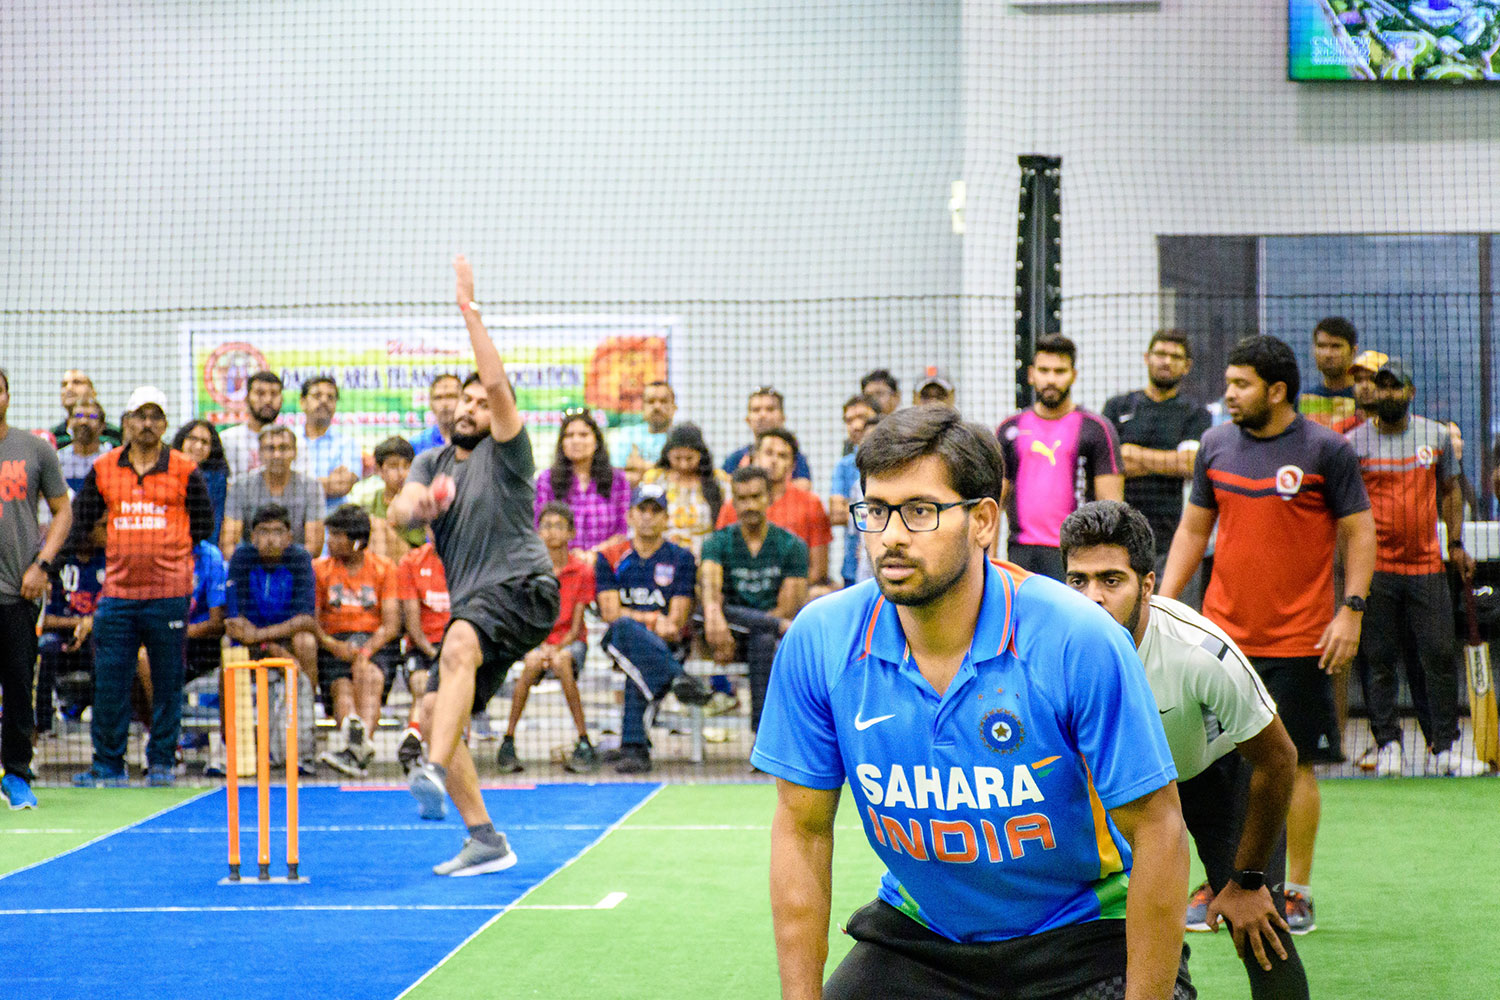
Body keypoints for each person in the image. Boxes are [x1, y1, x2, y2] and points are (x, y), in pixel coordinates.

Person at [752, 405, 1191, 1000]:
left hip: (1083, 937)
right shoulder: (822, 640)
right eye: (876, 511)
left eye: (920, 511)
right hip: (923, 935)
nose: (892, 536)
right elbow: (803, 833)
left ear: (983, 521)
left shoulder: (1077, 640)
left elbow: (1160, 831)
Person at [1159, 334, 1376, 937]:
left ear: (1276, 391)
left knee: (1295, 764)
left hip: (1303, 641)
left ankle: (1296, 890)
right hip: (1222, 642)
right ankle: (1221, 880)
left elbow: (1360, 534)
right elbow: (1192, 531)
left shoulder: (1325, 450)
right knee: (1211, 766)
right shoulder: (1215, 445)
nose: (1227, 395)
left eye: (1240, 384)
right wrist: (1164, 604)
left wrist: (1350, 611)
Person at [1061, 501, 1309, 1000]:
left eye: (1111, 580)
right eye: (1078, 581)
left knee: (1260, 927)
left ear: (1147, 585)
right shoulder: (1052, 643)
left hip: (1209, 777)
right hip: (1109, 792)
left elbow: (1279, 758)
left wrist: (1247, 879)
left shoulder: (1199, 651)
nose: (1092, 599)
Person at [390, 254, 561, 876]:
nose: (469, 407)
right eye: (459, 401)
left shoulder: (509, 453)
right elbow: (399, 512)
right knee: (437, 711)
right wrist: (422, 503)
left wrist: (469, 310)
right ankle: (486, 838)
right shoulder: (432, 463)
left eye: (478, 401)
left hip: (523, 587)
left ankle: (431, 767)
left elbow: (496, 387)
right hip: (481, 604)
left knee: (459, 641)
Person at [68, 386, 214, 788]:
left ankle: (162, 762)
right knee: (110, 680)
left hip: (169, 595)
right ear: (127, 422)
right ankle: (108, 765)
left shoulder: (185, 469)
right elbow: (81, 522)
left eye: (155, 416)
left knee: (168, 681)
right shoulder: (104, 467)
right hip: (117, 596)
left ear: (165, 424)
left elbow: (204, 526)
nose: (147, 424)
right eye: (139, 416)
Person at [1345, 358, 1485, 777]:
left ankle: (1444, 748)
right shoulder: (1354, 445)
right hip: (1377, 569)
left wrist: (1456, 543)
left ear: (1410, 393)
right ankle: (1388, 745)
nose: (1386, 394)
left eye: (1394, 387)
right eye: (1381, 387)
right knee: (1378, 658)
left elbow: (1451, 491)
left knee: (1439, 655)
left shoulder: (1436, 437)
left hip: (1426, 566)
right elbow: (1348, 510)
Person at [594, 485, 710, 774]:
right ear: (630, 515)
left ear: (666, 518)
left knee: (639, 665)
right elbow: (610, 613)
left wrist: (645, 623)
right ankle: (678, 678)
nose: (647, 517)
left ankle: (634, 748)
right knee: (622, 628)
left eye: (655, 511)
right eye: (641, 510)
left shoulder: (681, 558)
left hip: (668, 647)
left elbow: (674, 624)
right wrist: (649, 620)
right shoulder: (609, 557)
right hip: (618, 642)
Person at [0, 367, 72, 809]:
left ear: (7, 396)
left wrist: (43, 564)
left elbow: (63, 512)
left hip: (18, 591)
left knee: (18, 684)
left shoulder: (35, 450)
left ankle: (17, 776)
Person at [997, 334, 1124, 580]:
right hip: (1020, 553)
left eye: (1060, 371)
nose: (1051, 379)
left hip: (1075, 553)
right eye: (1044, 371)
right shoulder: (1009, 428)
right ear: (1031, 374)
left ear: (1073, 375)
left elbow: (1112, 508)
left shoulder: (1096, 428)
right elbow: (993, 502)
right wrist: (987, 562)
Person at [701, 466, 809, 733]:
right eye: (742, 498)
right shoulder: (716, 542)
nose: (749, 505)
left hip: (772, 639)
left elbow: (787, 609)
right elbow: (711, 591)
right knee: (708, 608)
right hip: (725, 635)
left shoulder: (792, 546)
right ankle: (764, 735)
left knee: (763, 638)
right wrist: (715, 617)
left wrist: (758, 624)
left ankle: (762, 734)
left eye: (755, 497)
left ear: (768, 498)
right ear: (733, 501)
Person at [497, 501, 599, 775]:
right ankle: (508, 741)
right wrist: (540, 647)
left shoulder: (583, 571)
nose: (551, 532)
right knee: (531, 664)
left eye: (558, 526)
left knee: (564, 662)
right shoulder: (528, 571)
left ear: (571, 533)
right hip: (535, 641)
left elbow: (577, 626)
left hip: (570, 642)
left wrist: (556, 650)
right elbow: (526, 619)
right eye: (546, 526)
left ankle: (583, 740)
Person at [1101, 331, 1211, 581]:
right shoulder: (1118, 406)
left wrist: (1132, 453)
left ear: (1187, 366)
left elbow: (1189, 463)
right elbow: (1112, 461)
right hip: (1118, 535)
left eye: (1175, 356)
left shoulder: (1195, 413)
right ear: (1147, 358)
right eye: (1160, 354)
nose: (1166, 361)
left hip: (1169, 540)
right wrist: (1166, 461)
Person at [222, 503, 319, 777]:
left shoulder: (300, 559)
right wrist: (267, 645)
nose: (270, 539)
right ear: (252, 537)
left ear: (289, 537)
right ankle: (231, 746)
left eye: (278, 532)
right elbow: (236, 622)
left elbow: (306, 620)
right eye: (263, 532)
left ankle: (303, 744)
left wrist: (267, 640)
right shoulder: (242, 559)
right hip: (252, 644)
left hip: (285, 640)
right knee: (227, 653)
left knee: (306, 643)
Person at [313, 504, 401, 778]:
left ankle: (354, 751)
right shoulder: (319, 569)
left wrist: (366, 650)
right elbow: (312, 621)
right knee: (341, 688)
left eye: (336, 535)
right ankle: (358, 745)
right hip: (333, 643)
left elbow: (391, 624)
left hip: (375, 642)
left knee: (370, 676)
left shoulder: (384, 568)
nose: (329, 541)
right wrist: (333, 645)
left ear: (356, 541)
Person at [717, 428, 833, 593]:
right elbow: (719, 560)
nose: (774, 460)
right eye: (768, 453)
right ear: (755, 458)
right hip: (741, 596)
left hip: (794, 592)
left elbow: (818, 570)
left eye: (782, 456)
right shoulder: (732, 506)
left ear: (792, 465)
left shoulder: (811, 503)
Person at [38, 518, 107, 736]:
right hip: (61, 640)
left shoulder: (110, 562)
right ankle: (42, 726)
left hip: (97, 640)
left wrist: (91, 625)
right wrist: (79, 623)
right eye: (101, 526)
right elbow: (45, 620)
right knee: (43, 647)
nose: (107, 532)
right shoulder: (58, 564)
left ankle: (102, 723)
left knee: (107, 653)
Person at [533, 409, 629, 553]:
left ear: (596, 441)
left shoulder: (618, 480)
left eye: (583, 435)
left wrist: (595, 554)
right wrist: (573, 558)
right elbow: (539, 528)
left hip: (604, 563)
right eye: (569, 435)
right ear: (562, 443)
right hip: (561, 565)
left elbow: (623, 530)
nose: (576, 440)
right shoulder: (546, 480)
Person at [221, 426, 325, 555]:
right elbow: (228, 543)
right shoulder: (241, 487)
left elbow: (314, 546)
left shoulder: (311, 488)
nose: (277, 455)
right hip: (252, 566)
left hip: (296, 566)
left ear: (295, 452)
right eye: (270, 448)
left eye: (283, 448)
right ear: (259, 453)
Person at [395, 538, 450, 778]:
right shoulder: (410, 562)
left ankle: (446, 744)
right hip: (423, 646)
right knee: (422, 684)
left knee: (454, 686)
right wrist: (434, 654)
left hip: (457, 643)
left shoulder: (467, 559)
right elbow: (413, 625)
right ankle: (414, 739)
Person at [641, 422, 729, 557]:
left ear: (700, 455)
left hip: (706, 556)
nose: (683, 464)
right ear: (667, 454)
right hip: (664, 555)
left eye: (689, 458)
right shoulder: (655, 479)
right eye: (677, 458)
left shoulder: (718, 481)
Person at [348, 436, 426, 559]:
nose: (402, 473)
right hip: (379, 560)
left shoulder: (418, 499)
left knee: (377, 524)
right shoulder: (373, 498)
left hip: (412, 560)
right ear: (378, 470)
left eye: (406, 466)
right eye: (394, 466)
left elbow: (417, 547)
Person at [830, 395, 880, 587]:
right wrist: (865, 521)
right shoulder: (845, 466)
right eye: (849, 420)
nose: (856, 426)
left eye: (862, 417)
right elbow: (837, 514)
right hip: (854, 566)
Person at [721, 386, 813, 490]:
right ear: (748, 420)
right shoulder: (735, 459)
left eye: (770, 409)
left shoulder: (796, 458)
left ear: (783, 418)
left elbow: (804, 489)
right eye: (756, 410)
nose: (763, 415)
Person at [294, 375, 364, 509]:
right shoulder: (289, 440)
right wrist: (326, 483)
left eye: (330, 397)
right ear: (302, 402)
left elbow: (341, 486)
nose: (324, 401)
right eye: (317, 396)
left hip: (333, 525)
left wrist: (295, 485)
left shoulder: (348, 443)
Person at [1298, 317, 1360, 433]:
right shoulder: (1304, 399)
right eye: (1321, 346)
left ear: (1353, 352)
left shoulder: (1365, 399)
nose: (1328, 354)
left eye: (1336, 346)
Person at [610, 379, 677, 485]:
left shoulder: (681, 438)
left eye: (663, 401)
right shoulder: (627, 435)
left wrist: (639, 465)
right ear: (642, 407)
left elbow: (681, 477)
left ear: (674, 407)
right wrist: (662, 469)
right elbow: (616, 476)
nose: (657, 407)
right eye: (651, 401)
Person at [173, 420, 230, 543]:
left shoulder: (218, 480)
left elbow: (216, 522)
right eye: (193, 439)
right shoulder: (166, 471)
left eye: (204, 442)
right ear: (182, 441)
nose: (198, 446)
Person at [219, 370, 284, 478]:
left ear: (281, 400)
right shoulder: (226, 440)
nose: (268, 400)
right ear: (246, 399)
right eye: (260, 393)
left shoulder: (291, 441)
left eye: (274, 394)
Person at [51, 369, 122, 448]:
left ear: (93, 391)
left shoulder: (114, 436)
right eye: (64, 384)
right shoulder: (53, 437)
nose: (69, 388)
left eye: (77, 382)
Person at [57, 398, 110, 494]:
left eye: (92, 416)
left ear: (103, 425)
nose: (83, 421)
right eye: (78, 415)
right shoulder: (58, 460)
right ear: (69, 422)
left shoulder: (110, 460)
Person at [409, 373, 462, 454]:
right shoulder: (416, 445)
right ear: (431, 404)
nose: (445, 403)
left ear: (463, 400)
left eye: (451, 396)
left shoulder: (474, 442)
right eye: (438, 397)